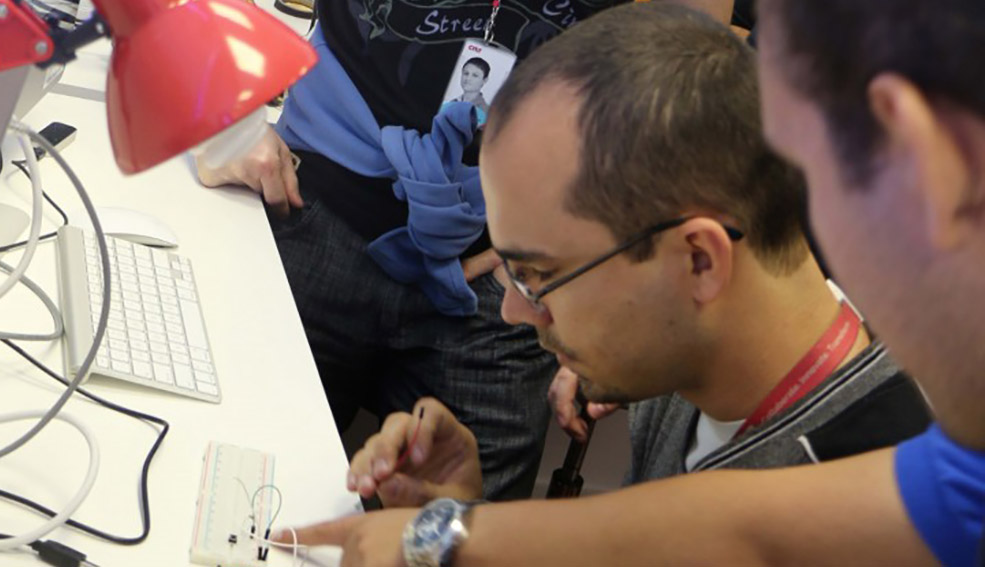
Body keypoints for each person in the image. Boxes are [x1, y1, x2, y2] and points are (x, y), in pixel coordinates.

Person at [269, 0, 985, 566]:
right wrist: (460, 511)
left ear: (698, 261)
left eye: (539, 276)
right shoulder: (690, 370)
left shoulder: (870, 506)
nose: (514, 311)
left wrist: (450, 538)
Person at [196, 0, 735, 502]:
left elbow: (684, 78)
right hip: (315, 199)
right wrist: (220, 112)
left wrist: (601, 292)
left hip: (518, 276)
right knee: (227, 496)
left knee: (461, 538)